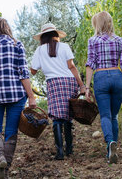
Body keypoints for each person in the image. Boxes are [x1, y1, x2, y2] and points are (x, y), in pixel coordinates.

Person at [0, 18, 36, 179]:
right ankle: (5, 170)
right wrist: (31, 96)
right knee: (11, 131)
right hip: (16, 95)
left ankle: (0, 158)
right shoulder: (16, 44)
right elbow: (23, 73)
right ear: (7, 29)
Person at [30, 23, 86, 160]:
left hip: (54, 83)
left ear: (43, 37)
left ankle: (60, 152)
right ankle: (69, 149)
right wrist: (82, 85)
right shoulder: (65, 47)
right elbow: (72, 67)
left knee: (56, 117)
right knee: (67, 116)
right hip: (69, 81)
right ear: (56, 35)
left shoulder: (40, 50)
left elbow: (33, 70)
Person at [85, 11, 122, 163]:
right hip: (117, 77)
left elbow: (90, 64)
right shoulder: (120, 40)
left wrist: (86, 88)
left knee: (105, 115)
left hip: (101, 77)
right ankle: (114, 148)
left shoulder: (93, 41)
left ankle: (110, 143)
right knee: (114, 116)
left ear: (97, 24)